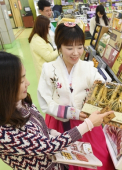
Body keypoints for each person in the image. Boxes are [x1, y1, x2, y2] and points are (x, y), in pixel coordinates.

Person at [0, 51, 113, 170]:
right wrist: (89, 124)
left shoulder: (22, 102)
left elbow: (38, 130)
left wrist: (53, 133)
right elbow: (48, 146)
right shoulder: (4, 133)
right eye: (21, 81)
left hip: (58, 163)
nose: (28, 83)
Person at [37, 22, 115, 170]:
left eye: (80, 47)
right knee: (69, 162)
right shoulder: (49, 70)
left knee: (98, 158)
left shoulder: (88, 67)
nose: (76, 53)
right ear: (59, 46)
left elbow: (103, 85)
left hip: (88, 123)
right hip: (60, 123)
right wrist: (74, 113)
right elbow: (45, 102)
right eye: (69, 48)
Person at [28, 15, 58, 80]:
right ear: (42, 28)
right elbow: (48, 57)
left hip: (50, 70)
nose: (49, 30)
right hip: (45, 73)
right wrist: (60, 49)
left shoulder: (42, 36)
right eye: (48, 28)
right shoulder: (37, 40)